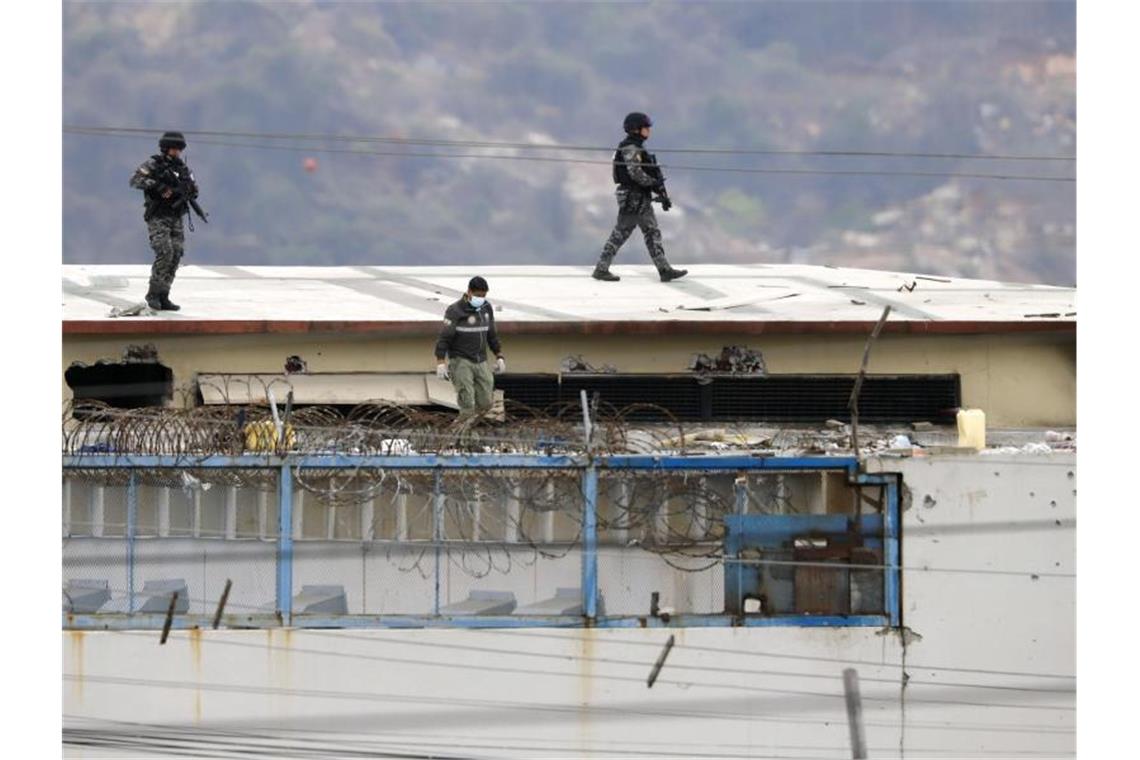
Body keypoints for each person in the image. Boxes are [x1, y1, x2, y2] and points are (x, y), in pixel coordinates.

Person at [592, 112, 688, 283]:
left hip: (638, 196)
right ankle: (601, 268)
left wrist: (658, 189)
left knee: (648, 232)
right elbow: (635, 173)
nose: (649, 130)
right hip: (634, 197)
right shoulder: (631, 148)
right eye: (646, 127)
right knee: (626, 232)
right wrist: (653, 183)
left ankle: (664, 269)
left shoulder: (635, 147)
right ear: (636, 129)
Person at [129, 131, 201, 311]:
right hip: (158, 216)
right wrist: (158, 186)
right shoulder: (154, 165)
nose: (176, 152)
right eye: (173, 148)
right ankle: (153, 294)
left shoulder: (184, 170)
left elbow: (194, 189)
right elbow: (135, 180)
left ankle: (164, 295)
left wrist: (190, 191)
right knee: (165, 252)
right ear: (166, 148)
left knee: (176, 254)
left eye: (179, 149)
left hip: (176, 216)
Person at [434, 276, 506, 415]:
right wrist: (440, 362)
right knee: (467, 403)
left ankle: (465, 429)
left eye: (483, 296)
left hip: (480, 360)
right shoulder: (455, 310)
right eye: (478, 295)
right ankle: (464, 435)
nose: (481, 298)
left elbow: (491, 334)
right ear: (469, 292)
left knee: (486, 403)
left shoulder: (486, 308)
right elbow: (445, 338)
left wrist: (499, 355)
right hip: (461, 360)